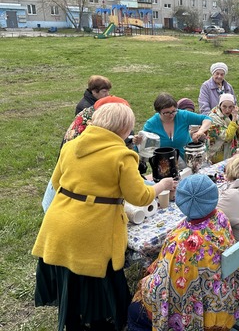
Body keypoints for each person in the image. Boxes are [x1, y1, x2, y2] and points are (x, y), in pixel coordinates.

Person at [32, 103, 177, 331]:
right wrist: (162, 185)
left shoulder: (71, 146)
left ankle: (73, 319)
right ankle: (101, 321)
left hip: (58, 223)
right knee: (99, 282)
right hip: (92, 231)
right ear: (123, 128)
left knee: (70, 276)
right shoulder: (122, 155)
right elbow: (139, 196)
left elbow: (58, 182)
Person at [127, 174, 239, 331]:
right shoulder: (220, 217)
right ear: (213, 197)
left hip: (199, 309)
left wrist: (147, 283)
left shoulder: (182, 242)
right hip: (223, 295)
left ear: (180, 203)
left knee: (135, 311)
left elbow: (165, 285)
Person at [43, 96, 132, 213]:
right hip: (79, 207)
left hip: (60, 204)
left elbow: (56, 181)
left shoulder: (89, 122)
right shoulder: (99, 145)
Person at [140, 92, 211, 160]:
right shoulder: (151, 124)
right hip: (165, 163)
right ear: (158, 112)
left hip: (188, 160)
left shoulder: (182, 115)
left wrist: (200, 132)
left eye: (174, 111)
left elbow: (207, 119)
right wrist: (138, 142)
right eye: (167, 113)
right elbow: (141, 147)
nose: (171, 115)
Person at [207, 93, 239, 163]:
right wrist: (234, 120)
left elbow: (235, 135)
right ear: (220, 105)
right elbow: (227, 137)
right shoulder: (213, 118)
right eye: (224, 107)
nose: (227, 110)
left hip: (231, 151)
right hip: (217, 154)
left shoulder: (235, 115)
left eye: (230, 107)